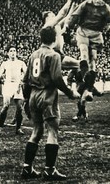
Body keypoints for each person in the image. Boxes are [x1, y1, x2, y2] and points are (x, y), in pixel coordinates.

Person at [21, 27, 80, 180]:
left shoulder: (33, 54)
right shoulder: (53, 55)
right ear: (54, 39)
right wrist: (70, 93)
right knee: (52, 131)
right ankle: (50, 170)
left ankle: (27, 168)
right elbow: (57, 79)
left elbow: (25, 81)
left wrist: (27, 101)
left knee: (36, 131)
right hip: (47, 94)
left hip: (33, 94)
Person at [41, 0, 80, 70]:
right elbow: (61, 14)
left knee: (78, 65)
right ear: (46, 19)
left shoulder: (56, 26)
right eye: (52, 15)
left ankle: (75, 79)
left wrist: (73, 6)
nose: (54, 16)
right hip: (51, 53)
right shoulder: (47, 26)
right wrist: (69, 1)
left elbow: (68, 17)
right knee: (79, 64)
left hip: (59, 53)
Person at [0, 44, 27, 135]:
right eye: (11, 51)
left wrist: (22, 81)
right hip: (8, 85)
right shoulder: (5, 63)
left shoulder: (21, 63)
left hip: (17, 85)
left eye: (14, 51)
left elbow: (27, 73)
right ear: (8, 53)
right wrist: (2, 81)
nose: (13, 53)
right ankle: (0, 127)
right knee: (6, 106)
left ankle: (18, 128)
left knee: (20, 108)